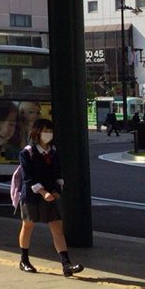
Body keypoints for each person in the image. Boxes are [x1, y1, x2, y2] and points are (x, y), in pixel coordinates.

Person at [16, 118, 84, 277]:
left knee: (57, 227)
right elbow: (28, 178)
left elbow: (58, 173)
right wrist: (42, 192)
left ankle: (66, 265)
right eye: (45, 131)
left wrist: (57, 190)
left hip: (50, 195)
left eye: (50, 131)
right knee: (28, 226)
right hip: (32, 196)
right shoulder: (27, 152)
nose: (48, 134)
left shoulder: (53, 151)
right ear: (37, 132)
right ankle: (24, 260)